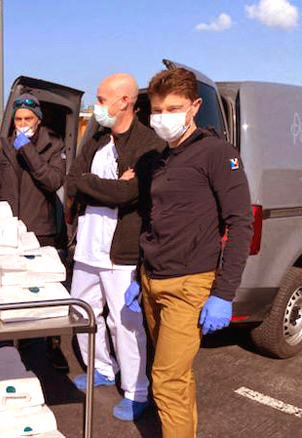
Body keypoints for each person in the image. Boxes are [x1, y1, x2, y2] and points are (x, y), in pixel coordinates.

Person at [126, 68, 253, 437]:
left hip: (189, 286)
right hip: (152, 281)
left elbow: (240, 223)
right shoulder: (157, 159)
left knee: (166, 380)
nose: (164, 117)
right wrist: (139, 275)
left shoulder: (217, 154)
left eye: (174, 108)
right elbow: (152, 220)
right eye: (158, 109)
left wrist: (223, 294)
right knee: (175, 377)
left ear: (195, 107)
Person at [65, 74, 165, 420]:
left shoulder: (148, 144)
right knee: (82, 311)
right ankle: (101, 368)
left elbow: (129, 193)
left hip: (121, 251)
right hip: (87, 247)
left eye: (102, 98)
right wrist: (101, 185)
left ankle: (137, 390)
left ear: (125, 101)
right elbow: (73, 180)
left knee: (124, 323)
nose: (97, 106)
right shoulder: (96, 137)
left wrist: (91, 184)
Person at [0, 93, 69, 372]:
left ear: (39, 120)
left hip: (41, 230)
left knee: (45, 288)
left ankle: (52, 343)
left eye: (28, 119)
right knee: (14, 287)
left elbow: (52, 181)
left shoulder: (54, 145)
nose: (22, 124)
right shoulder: (6, 145)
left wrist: (29, 152)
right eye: (18, 119)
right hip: (10, 229)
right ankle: (17, 342)